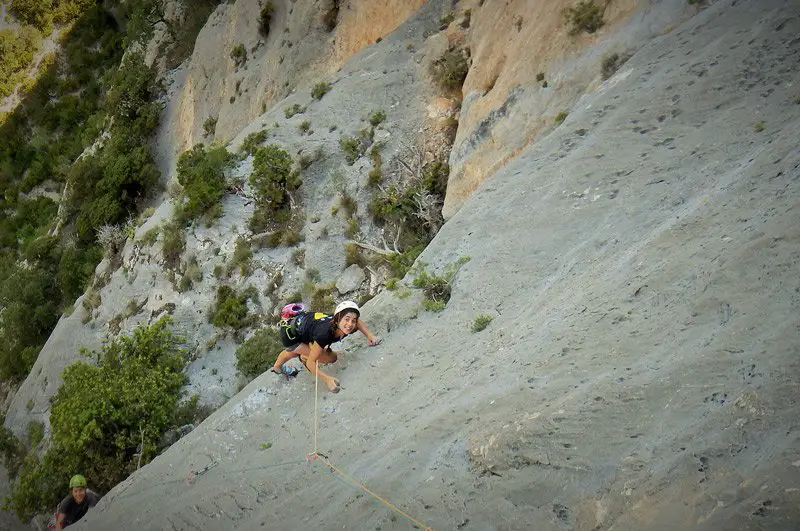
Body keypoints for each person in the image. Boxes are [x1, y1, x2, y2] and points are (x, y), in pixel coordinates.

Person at [271, 300, 380, 392]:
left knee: (297, 351)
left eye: (353, 321)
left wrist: (370, 335)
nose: (350, 324)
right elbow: (311, 362)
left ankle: (278, 367)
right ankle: (301, 357)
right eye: (347, 319)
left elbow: (357, 320)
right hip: (290, 336)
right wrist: (328, 380)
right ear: (338, 319)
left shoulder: (343, 323)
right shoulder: (325, 334)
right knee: (331, 358)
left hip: (300, 324)